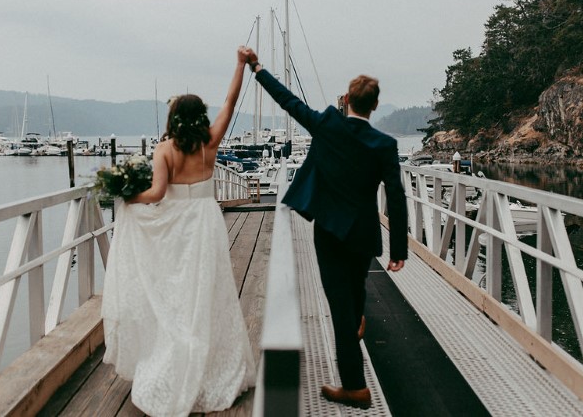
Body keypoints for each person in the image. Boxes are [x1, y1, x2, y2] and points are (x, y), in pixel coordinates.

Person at [240, 47, 408, 409]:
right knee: (354, 287)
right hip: (364, 233)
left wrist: (257, 68)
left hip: (330, 231)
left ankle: (355, 387)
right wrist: (399, 252)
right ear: (374, 106)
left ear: (346, 99)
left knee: (340, 308)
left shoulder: (328, 124)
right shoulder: (385, 145)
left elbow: (289, 102)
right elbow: (396, 197)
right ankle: (356, 320)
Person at [101, 48, 255, 417]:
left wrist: (126, 197)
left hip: (174, 226)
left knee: (176, 296)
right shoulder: (210, 143)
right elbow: (231, 103)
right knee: (208, 294)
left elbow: (155, 194)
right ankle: (212, 370)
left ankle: (175, 361)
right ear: (200, 116)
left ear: (173, 117)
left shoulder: (164, 149)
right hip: (205, 222)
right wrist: (239, 65)